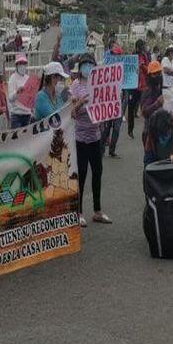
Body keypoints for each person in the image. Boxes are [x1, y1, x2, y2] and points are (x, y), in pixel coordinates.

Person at [69, 54, 109, 226]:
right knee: (82, 174)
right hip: (80, 137)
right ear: (80, 67)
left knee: (98, 172)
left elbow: (106, 105)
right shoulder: (75, 86)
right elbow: (71, 113)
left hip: (96, 136)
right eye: (84, 64)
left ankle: (97, 210)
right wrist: (80, 103)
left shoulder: (99, 84)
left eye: (90, 64)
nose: (87, 67)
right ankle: (79, 212)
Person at [127, 39, 149, 139]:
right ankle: (130, 129)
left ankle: (147, 129)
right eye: (143, 45)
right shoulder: (133, 56)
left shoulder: (144, 56)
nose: (145, 47)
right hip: (133, 86)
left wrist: (143, 66)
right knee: (131, 108)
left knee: (145, 107)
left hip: (142, 86)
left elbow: (147, 68)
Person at [7, 53, 32, 128]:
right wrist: (17, 92)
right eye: (20, 63)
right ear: (16, 65)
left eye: (24, 63)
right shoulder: (12, 78)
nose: (22, 65)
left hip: (27, 114)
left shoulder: (28, 78)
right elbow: (10, 98)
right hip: (16, 115)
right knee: (16, 139)